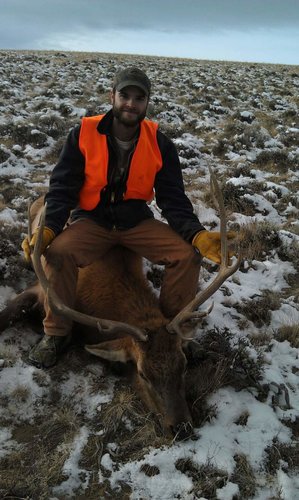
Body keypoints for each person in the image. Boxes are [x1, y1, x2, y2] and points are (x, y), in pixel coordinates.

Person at [22, 66, 233, 368]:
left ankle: (171, 335)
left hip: (135, 222)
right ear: (113, 96)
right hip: (92, 220)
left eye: (139, 98)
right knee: (57, 254)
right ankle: (56, 334)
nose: (131, 104)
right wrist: (50, 230)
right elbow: (63, 188)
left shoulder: (159, 142)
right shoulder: (82, 134)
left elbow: (172, 198)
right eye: (125, 96)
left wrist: (196, 234)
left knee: (186, 255)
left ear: (147, 102)